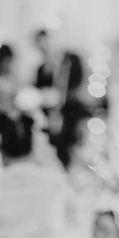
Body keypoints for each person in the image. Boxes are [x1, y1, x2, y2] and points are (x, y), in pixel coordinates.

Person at [33, 28, 86, 167]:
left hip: (68, 114)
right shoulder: (41, 69)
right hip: (49, 116)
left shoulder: (70, 61)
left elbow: (77, 86)